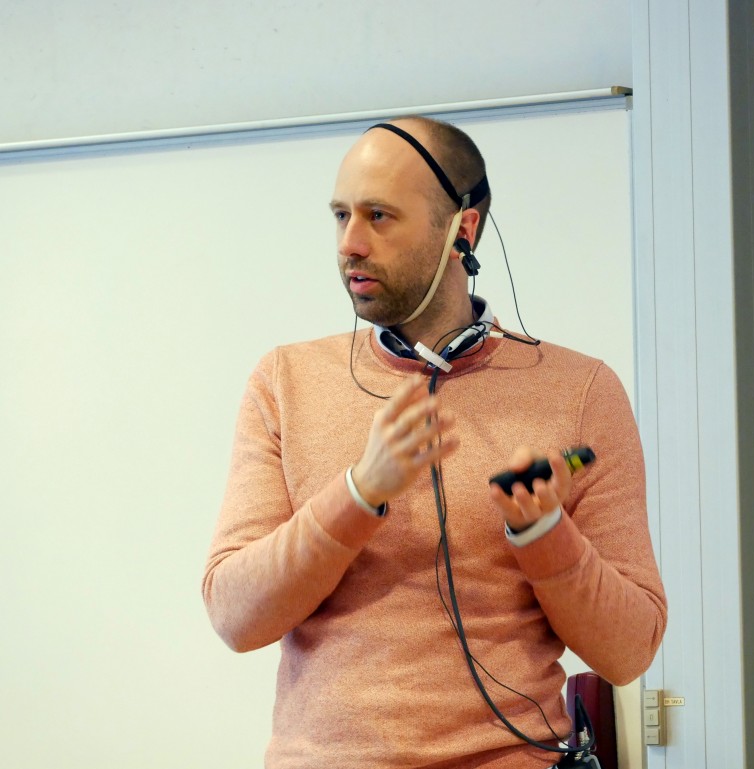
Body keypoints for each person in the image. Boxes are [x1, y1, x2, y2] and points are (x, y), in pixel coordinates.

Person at [202, 116, 667, 769]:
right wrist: (359, 493)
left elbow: (629, 649)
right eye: (340, 216)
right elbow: (235, 614)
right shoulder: (284, 381)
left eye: (380, 216)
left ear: (463, 231)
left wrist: (543, 531)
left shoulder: (582, 390)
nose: (350, 243)